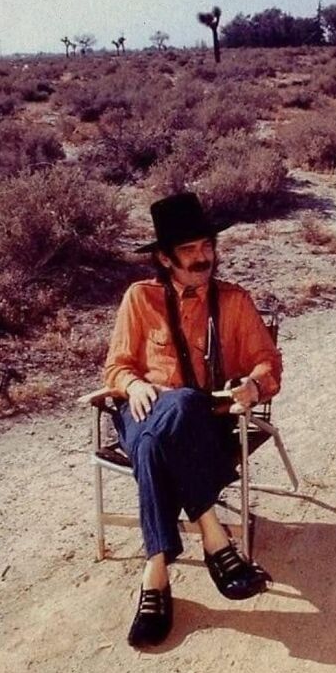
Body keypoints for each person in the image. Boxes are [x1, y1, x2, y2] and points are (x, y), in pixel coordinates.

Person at [103, 192, 282, 648]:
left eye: (207, 246)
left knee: (165, 429)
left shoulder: (234, 301)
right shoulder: (139, 299)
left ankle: (156, 577)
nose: (203, 257)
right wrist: (136, 385)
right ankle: (214, 537)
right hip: (141, 410)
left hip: (205, 425)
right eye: (189, 251)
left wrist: (254, 387)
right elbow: (116, 367)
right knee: (162, 418)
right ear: (164, 257)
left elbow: (268, 363)